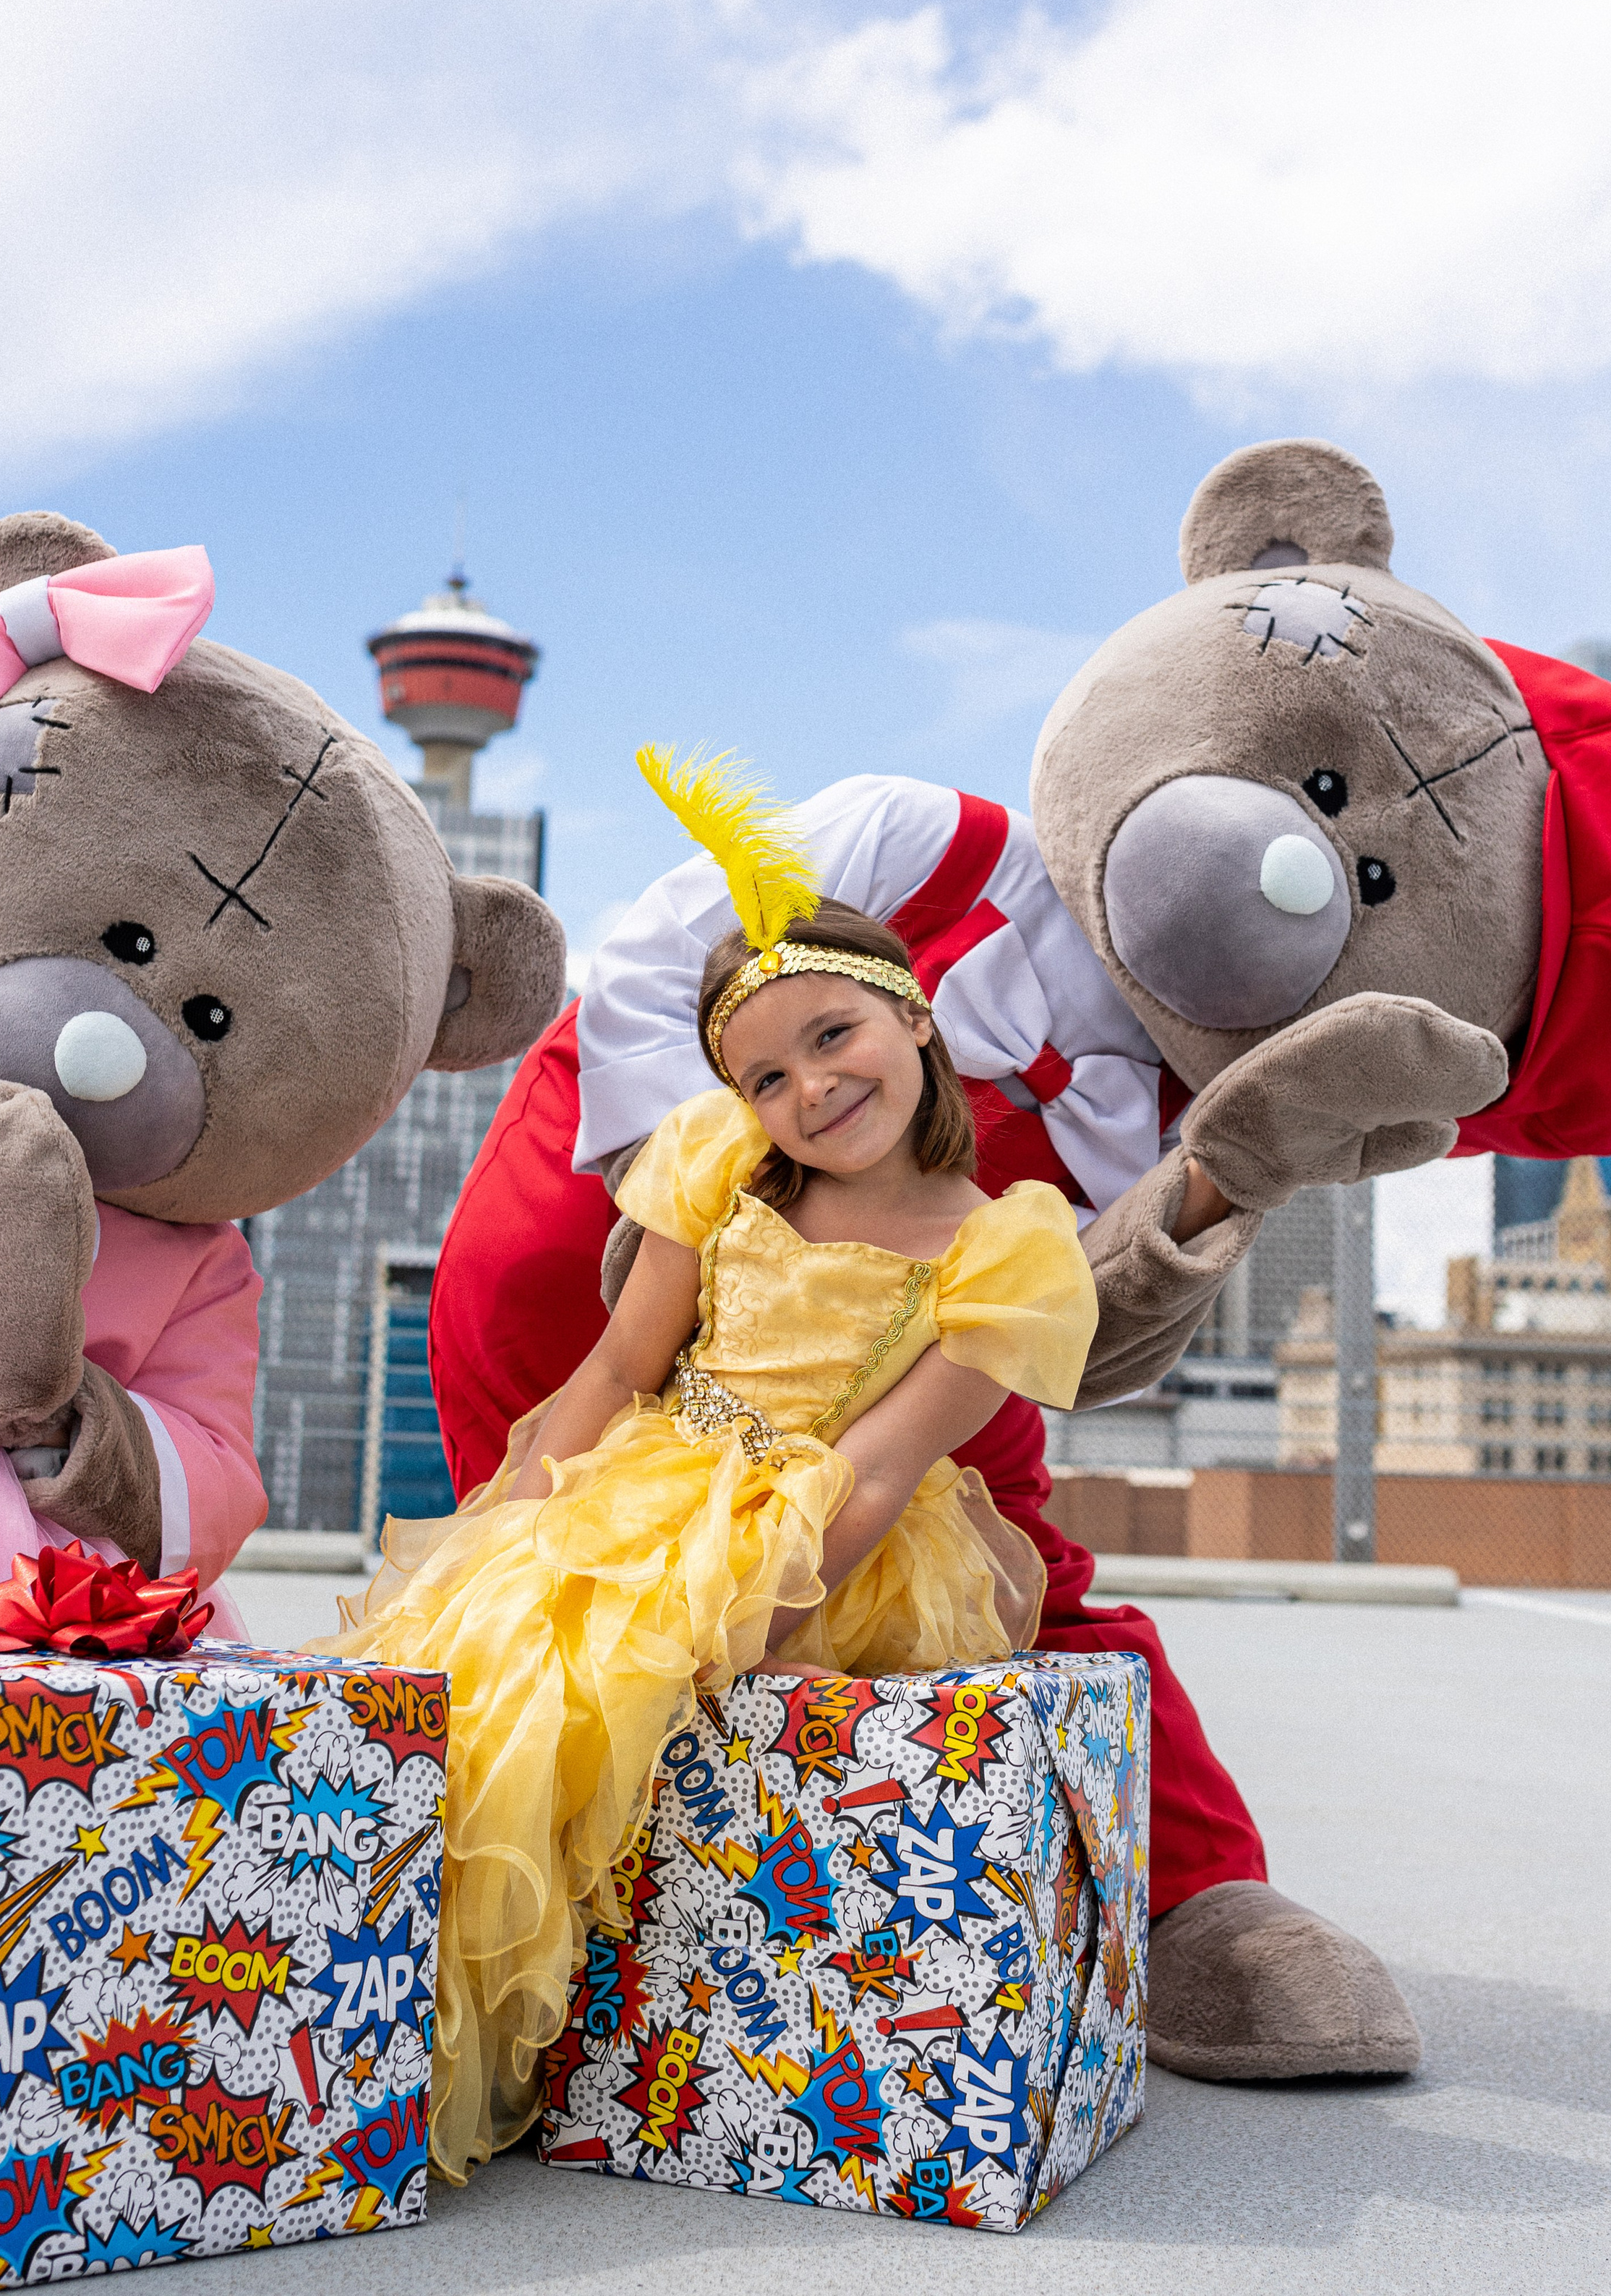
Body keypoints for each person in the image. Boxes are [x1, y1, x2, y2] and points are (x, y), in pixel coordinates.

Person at [309, 754, 1100, 2179]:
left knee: (622, 1704)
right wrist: (519, 1518)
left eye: (834, 1035)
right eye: (768, 1075)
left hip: (822, 1530)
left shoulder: (1005, 1249)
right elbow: (622, 1365)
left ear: (915, 1015)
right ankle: (372, 2024)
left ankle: (563, 2044)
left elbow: (875, 1473)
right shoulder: (720, 1165)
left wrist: (747, 1626)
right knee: (490, 1669)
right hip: (653, 1474)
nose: (812, 1087)